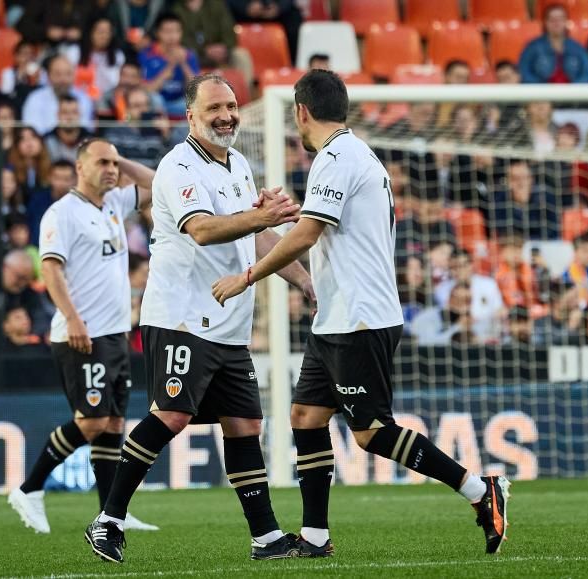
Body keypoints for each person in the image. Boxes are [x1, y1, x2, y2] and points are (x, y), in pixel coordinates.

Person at [211, 70, 510, 557]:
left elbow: (308, 235)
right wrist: (279, 214)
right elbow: (318, 226)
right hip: (337, 317)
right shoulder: (349, 154)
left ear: (301, 112)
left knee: (372, 433)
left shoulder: (337, 158)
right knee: (305, 417)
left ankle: (480, 490)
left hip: (361, 317)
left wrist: (247, 277)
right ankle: (315, 537)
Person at [85, 73, 312, 563]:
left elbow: (256, 238)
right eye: (214, 108)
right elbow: (205, 231)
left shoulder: (238, 166)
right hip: (182, 317)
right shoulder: (178, 167)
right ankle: (108, 521)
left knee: (245, 425)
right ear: (191, 115)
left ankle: (267, 538)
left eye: (231, 106)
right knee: (172, 415)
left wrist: (308, 283)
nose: (226, 115)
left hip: (228, 324)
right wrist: (264, 218)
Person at [8, 138, 158, 535]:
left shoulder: (113, 203)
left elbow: (158, 184)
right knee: (91, 422)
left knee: (112, 424)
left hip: (115, 334)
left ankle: (113, 514)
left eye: (114, 163)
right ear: (79, 167)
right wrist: (72, 318)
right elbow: (52, 270)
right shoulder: (63, 213)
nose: (111, 169)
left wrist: (122, 159)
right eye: (102, 162)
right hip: (82, 335)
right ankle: (28, 488)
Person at [0, 249, 54, 346]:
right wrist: (8, 330)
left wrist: (26, 334)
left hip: (27, 348)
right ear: (5, 268)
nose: (22, 283)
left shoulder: (29, 293)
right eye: (19, 277)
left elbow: (42, 323)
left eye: (27, 279)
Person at [139, 13, 200, 118]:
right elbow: (147, 90)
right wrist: (169, 67)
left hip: (179, 103)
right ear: (158, 33)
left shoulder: (189, 55)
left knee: (196, 104)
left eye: (177, 31)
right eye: (167, 32)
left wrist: (184, 64)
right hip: (155, 104)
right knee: (155, 99)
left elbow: (195, 90)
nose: (172, 36)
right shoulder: (147, 54)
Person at [518, 4, 588, 84]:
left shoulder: (578, 48)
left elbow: (586, 74)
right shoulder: (532, 47)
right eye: (552, 19)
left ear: (566, 21)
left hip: (572, 95)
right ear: (545, 22)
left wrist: (572, 91)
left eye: (560, 19)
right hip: (541, 95)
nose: (556, 23)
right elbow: (524, 73)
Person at [21, 55, 95, 135]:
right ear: (49, 76)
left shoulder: (84, 99)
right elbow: (33, 133)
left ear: (74, 76)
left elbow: (85, 132)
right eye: (58, 74)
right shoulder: (35, 99)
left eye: (68, 74)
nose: (63, 79)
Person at [44, 95, 93, 163]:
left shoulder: (91, 141)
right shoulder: (46, 140)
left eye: (74, 112)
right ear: (58, 115)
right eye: (65, 112)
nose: (70, 117)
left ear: (80, 114)